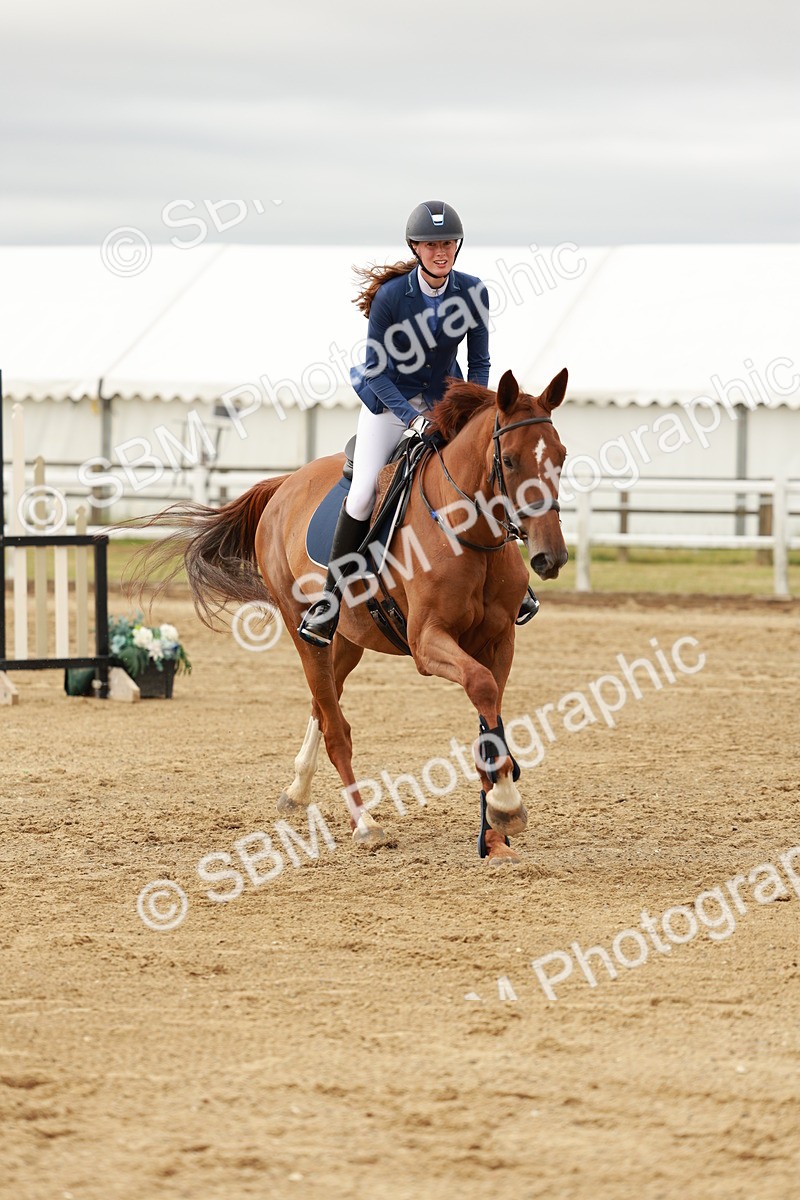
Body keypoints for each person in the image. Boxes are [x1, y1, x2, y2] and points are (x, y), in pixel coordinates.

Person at [298, 199, 538, 647]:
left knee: (487, 472)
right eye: (431, 245)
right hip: (389, 404)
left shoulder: (472, 292)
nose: (440, 251)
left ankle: (514, 585)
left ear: (457, 246)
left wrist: (472, 409)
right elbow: (375, 371)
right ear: (415, 248)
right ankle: (328, 605)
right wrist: (412, 420)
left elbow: (479, 361)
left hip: (446, 402)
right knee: (365, 489)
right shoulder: (392, 297)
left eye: (447, 243)